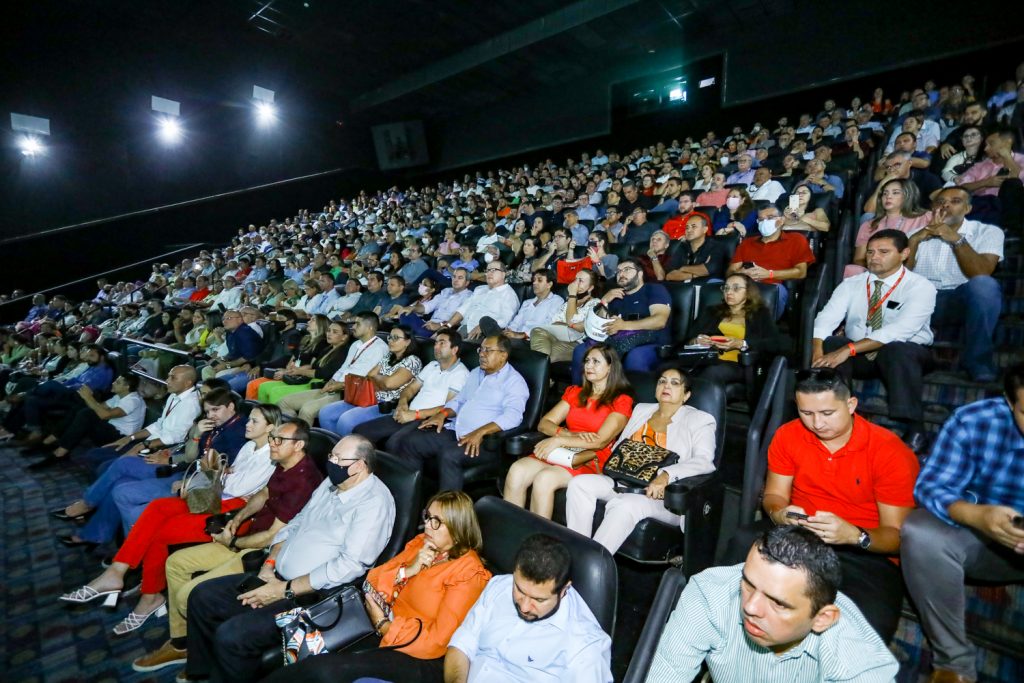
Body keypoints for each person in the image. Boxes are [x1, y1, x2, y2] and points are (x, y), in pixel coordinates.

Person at [724, 368, 919, 643]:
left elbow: (896, 536)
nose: (817, 423)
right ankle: (727, 640)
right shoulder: (788, 435)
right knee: (740, 546)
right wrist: (780, 513)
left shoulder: (889, 452)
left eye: (827, 413)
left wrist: (855, 535)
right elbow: (774, 496)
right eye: (806, 413)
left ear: (851, 405)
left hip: (863, 549)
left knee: (868, 626)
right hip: (801, 534)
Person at [182, 434, 395, 683]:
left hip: (309, 596)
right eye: (330, 456)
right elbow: (296, 523)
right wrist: (270, 563)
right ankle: (202, 674)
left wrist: (283, 590)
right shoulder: (332, 483)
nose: (332, 463)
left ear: (359, 465)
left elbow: (348, 566)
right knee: (202, 596)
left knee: (232, 636)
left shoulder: (374, 503)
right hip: (274, 575)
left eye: (338, 458)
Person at [59, 404, 282, 634]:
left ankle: (150, 596)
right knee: (157, 508)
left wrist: (219, 473)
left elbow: (238, 486)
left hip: (234, 514)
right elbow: (225, 477)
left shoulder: (270, 456)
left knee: (162, 530)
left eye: (254, 421)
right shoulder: (248, 447)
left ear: (271, 428)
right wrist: (220, 473)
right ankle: (116, 571)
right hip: (217, 499)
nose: (247, 423)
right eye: (250, 419)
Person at [130, 416, 323, 673]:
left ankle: (207, 653)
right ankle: (180, 644)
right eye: (273, 437)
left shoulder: (304, 481)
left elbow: (271, 537)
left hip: (261, 550)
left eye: (279, 439)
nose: (273, 443)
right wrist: (238, 518)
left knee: (189, 595)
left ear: (298, 445)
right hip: (245, 536)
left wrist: (232, 540)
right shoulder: (283, 463)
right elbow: (263, 493)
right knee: (175, 563)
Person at [263, 491, 491, 683]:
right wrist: (407, 571)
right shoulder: (422, 545)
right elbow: (372, 580)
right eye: (428, 516)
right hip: (381, 623)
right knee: (310, 645)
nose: (427, 526)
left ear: (457, 527)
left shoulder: (468, 574)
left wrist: (385, 625)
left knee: (326, 669)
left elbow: (438, 642)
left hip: (419, 655)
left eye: (436, 521)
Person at [647, 526, 898, 682]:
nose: (751, 607)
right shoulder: (710, 594)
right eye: (747, 583)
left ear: (823, 619)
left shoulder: (857, 656)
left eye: (778, 603)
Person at [901, 366, 1024, 683]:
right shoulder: (975, 421)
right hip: (985, 540)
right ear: (1010, 404)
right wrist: (978, 516)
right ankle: (954, 662)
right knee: (921, 532)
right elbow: (930, 486)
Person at [58, 386, 244, 547]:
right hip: (182, 469)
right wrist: (195, 436)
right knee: (121, 475)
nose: (211, 415)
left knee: (122, 487)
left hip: (192, 482)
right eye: (208, 411)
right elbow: (191, 454)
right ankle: (102, 534)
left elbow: (218, 467)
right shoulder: (213, 424)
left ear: (231, 407)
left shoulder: (238, 431)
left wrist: (180, 466)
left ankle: (125, 547)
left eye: (216, 410)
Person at [566, 367, 716, 554]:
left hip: (661, 498)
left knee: (625, 505)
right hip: (622, 481)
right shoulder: (641, 410)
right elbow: (620, 448)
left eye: (674, 383)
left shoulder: (699, 420)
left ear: (686, 395)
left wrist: (666, 476)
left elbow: (705, 461)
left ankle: (591, 565)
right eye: (662, 381)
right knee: (579, 484)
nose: (666, 385)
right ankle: (576, 552)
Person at [814, 230, 937, 452]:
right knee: (831, 343)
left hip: (907, 354)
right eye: (870, 252)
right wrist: (817, 353)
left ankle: (915, 428)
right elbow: (825, 319)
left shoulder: (920, 286)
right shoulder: (853, 283)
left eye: (883, 252)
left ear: (904, 254)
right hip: (861, 354)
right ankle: (840, 416)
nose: (874, 257)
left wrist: (849, 349)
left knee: (897, 349)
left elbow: (902, 330)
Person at [444, 534, 613, 683]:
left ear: (564, 590)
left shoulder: (585, 647)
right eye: (519, 590)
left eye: (538, 599)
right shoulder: (499, 586)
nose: (524, 607)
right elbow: (461, 644)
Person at [504, 344, 632, 519]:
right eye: (587, 361)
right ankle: (508, 532)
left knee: (545, 479)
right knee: (517, 471)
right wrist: (566, 435)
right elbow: (545, 423)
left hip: (591, 456)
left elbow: (600, 441)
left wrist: (558, 440)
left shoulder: (620, 400)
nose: (589, 366)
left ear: (610, 367)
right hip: (562, 450)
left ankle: (538, 544)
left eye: (596, 361)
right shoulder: (575, 393)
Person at [392, 335, 527, 490]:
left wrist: (480, 432)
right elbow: (459, 400)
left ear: (503, 355)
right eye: (481, 349)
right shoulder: (476, 372)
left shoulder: (514, 382)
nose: (481, 354)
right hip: (456, 430)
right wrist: (442, 414)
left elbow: (514, 417)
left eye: (488, 350)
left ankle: (446, 512)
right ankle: (413, 498)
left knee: (449, 455)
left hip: (485, 442)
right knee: (411, 442)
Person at [906, 187, 1004, 383]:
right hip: (921, 302)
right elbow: (898, 277)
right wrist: (914, 241)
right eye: (941, 202)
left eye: (955, 201)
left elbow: (981, 272)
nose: (946, 205)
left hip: (962, 300)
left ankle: (978, 361)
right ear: (933, 208)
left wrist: (956, 239)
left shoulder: (987, 232)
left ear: (967, 209)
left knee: (985, 285)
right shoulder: (914, 233)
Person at [354, 328, 470, 447]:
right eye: (435, 343)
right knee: (360, 431)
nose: (436, 347)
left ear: (454, 349)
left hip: (427, 419)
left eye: (442, 343)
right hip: (408, 413)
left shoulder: (461, 374)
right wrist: (402, 403)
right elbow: (411, 388)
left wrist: (416, 414)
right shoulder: (432, 365)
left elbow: (449, 407)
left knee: (395, 444)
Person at [570, 258, 671, 384]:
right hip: (617, 340)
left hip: (651, 342)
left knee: (636, 357)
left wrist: (624, 325)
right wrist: (604, 301)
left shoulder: (654, 289)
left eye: (627, 270)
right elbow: (597, 325)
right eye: (618, 271)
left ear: (640, 274)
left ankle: (632, 402)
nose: (621, 274)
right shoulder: (615, 295)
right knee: (581, 350)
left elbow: (659, 320)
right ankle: (578, 398)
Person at [277, 312, 387, 425]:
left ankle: (301, 438)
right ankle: (292, 430)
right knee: (284, 403)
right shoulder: (356, 344)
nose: (353, 327)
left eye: (357, 324)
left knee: (307, 410)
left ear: (370, 328)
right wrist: (331, 382)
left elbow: (361, 378)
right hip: (334, 387)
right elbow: (344, 367)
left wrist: (336, 386)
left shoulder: (379, 348)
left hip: (348, 393)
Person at [317, 324, 422, 436]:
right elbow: (369, 376)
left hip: (386, 405)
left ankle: (346, 451)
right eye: (390, 337)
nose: (390, 341)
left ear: (408, 342)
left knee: (346, 420)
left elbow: (390, 384)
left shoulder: (413, 361)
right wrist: (382, 380)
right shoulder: (388, 357)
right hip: (367, 396)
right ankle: (334, 444)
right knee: (325, 413)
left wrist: (378, 379)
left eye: (395, 338)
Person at [27, 373, 146, 469]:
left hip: (120, 437)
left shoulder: (133, 400)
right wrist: (88, 399)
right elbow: (99, 407)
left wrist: (89, 398)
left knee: (87, 414)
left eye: (118, 382)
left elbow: (105, 415)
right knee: (80, 409)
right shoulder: (118, 397)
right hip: (110, 429)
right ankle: (49, 441)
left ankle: (60, 453)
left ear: (127, 387)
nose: (113, 383)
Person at [690, 273, 783, 386]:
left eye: (736, 288)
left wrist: (741, 344)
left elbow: (775, 344)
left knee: (712, 371)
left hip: (740, 364)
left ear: (748, 292)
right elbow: (689, 338)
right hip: (707, 359)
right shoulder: (711, 311)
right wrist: (697, 340)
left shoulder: (760, 314)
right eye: (726, 288)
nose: (729, 292)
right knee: (672, 367)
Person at [728, 205, 815, 319]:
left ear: (781, 220)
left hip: (773, 286)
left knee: (768, 294)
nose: (765, 222)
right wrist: (742, 273)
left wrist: (770, 274)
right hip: (746, 285)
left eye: (770, 217)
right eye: (761, 219)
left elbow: (801, 272)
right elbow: (730, 271)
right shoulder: (747, 243)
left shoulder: (796, 239)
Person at [848, 177, 931, 273]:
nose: (888, 197)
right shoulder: (869, 225)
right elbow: (859, 259)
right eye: (885, 193)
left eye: (895, 193)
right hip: (877, 274)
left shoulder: (925, 218)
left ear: (908, 195)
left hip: (915, 273)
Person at [956, 129, 1024, 233]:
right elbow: (961, 187)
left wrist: (1007, 158)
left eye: (991, 144)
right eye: (985, 145)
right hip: (983, 205)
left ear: (1007, 142)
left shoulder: (1021, 160)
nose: (986, 148)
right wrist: (986, 183)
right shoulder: (980, 166)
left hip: (1011, 206)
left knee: (1012, 184)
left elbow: (1020, 179)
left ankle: (1010, 232)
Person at [529, 269, 602, 363]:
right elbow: (555, 322)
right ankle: (543, 373)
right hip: (558, 337)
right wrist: (569, 324)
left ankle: (540, 372)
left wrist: (572, 294)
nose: (575, 283)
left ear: (590, 288)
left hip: (577, 343)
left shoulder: (596, 304)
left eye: (580, 281)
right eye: (575, 279)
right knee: (537, 332)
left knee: (545, 356)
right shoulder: (570, 302)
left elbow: (573, 322)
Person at [480, 269, 564, 341]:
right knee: (485, 321)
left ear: (549, 284)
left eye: (539, 280)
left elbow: (548, 324)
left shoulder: (557, 301)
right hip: (515, 337)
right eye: (534, 280)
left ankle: (496, 339)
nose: (534, 283)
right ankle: (498, 338)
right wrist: (509, 332)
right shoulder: (527, 302)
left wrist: (523, 334)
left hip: (534, 339)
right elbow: (516, 322)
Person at [445, 261, 520, 341]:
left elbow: (505, 320)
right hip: (464, 327)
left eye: (494, 270)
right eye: (487, 270)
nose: (489, 273)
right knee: (443, 340)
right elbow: (463, 309)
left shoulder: (509, 295)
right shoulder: (480, 289)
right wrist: (448, 326)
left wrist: (483, 326)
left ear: (503, 274)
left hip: (484, 334)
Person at [400, 267, 473, 337]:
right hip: (428, 324)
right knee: (404, 313)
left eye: (460, 278)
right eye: (454, 277)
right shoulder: (446, 291)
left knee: (408, 331)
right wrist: (412, 307)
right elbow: (427, 307)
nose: (455, 280)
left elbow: (460, 321)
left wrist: (440, 325)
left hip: (445, 329)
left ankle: (411, 335)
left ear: (467, 282)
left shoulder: (469, 297)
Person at [665, 212, 729, 283]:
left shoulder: (716, 246)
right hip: (683, 288)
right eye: (687, 227)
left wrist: (683, 268)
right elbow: (669, 275)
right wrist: (695, 274)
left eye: (694, 226)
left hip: (706, 287)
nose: (689, 230)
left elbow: (710, 269)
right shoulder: (683, 246)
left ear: (705, 229)